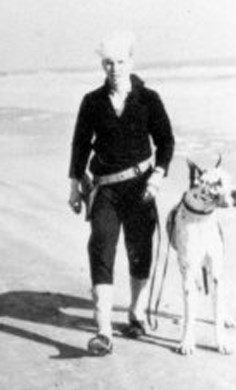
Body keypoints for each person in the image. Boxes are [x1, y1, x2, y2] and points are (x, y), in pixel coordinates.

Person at [68, 32, 174, 356]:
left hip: (142, 188)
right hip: (105, 189)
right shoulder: (92, 101)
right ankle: (103, 330)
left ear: (132, 62)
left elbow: (166, 142)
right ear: (103, 65)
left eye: (121, 61)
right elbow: (80, 145)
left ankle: (136, 314)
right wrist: (74, 186)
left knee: (140, 249)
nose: (115, 68)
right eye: (109, 63)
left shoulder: (149, 99)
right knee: (101, 245)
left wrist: (158, 176)